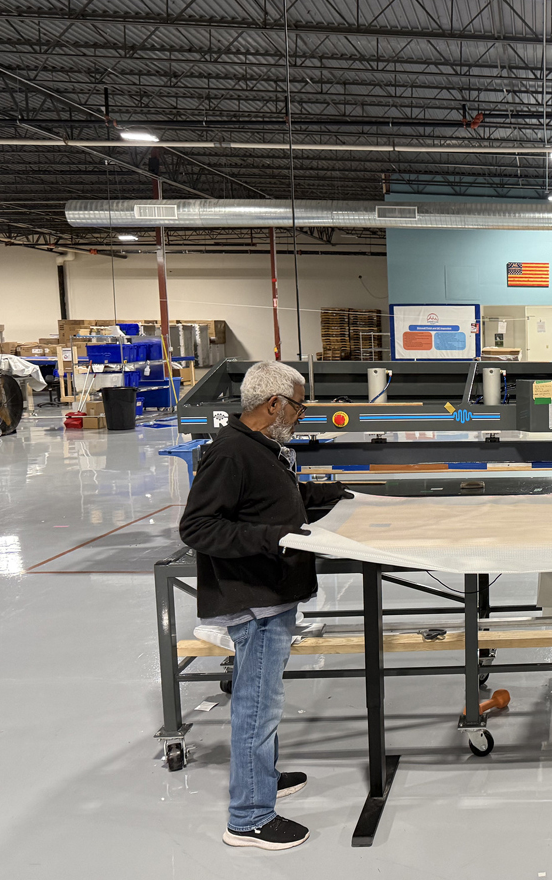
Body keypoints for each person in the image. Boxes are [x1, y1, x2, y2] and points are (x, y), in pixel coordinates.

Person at [179, 361, 350, 850]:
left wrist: (338, 495)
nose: (301, 414)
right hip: (254, 601)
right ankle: (249, 817)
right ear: (274, 404)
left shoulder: (261, 449)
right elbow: (198, 528)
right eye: (298, 405)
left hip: (272, 594)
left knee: (264, 699)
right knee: (257, 705)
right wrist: (274, 537)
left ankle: (262, 780)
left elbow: (282, 498)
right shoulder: (231, 453)